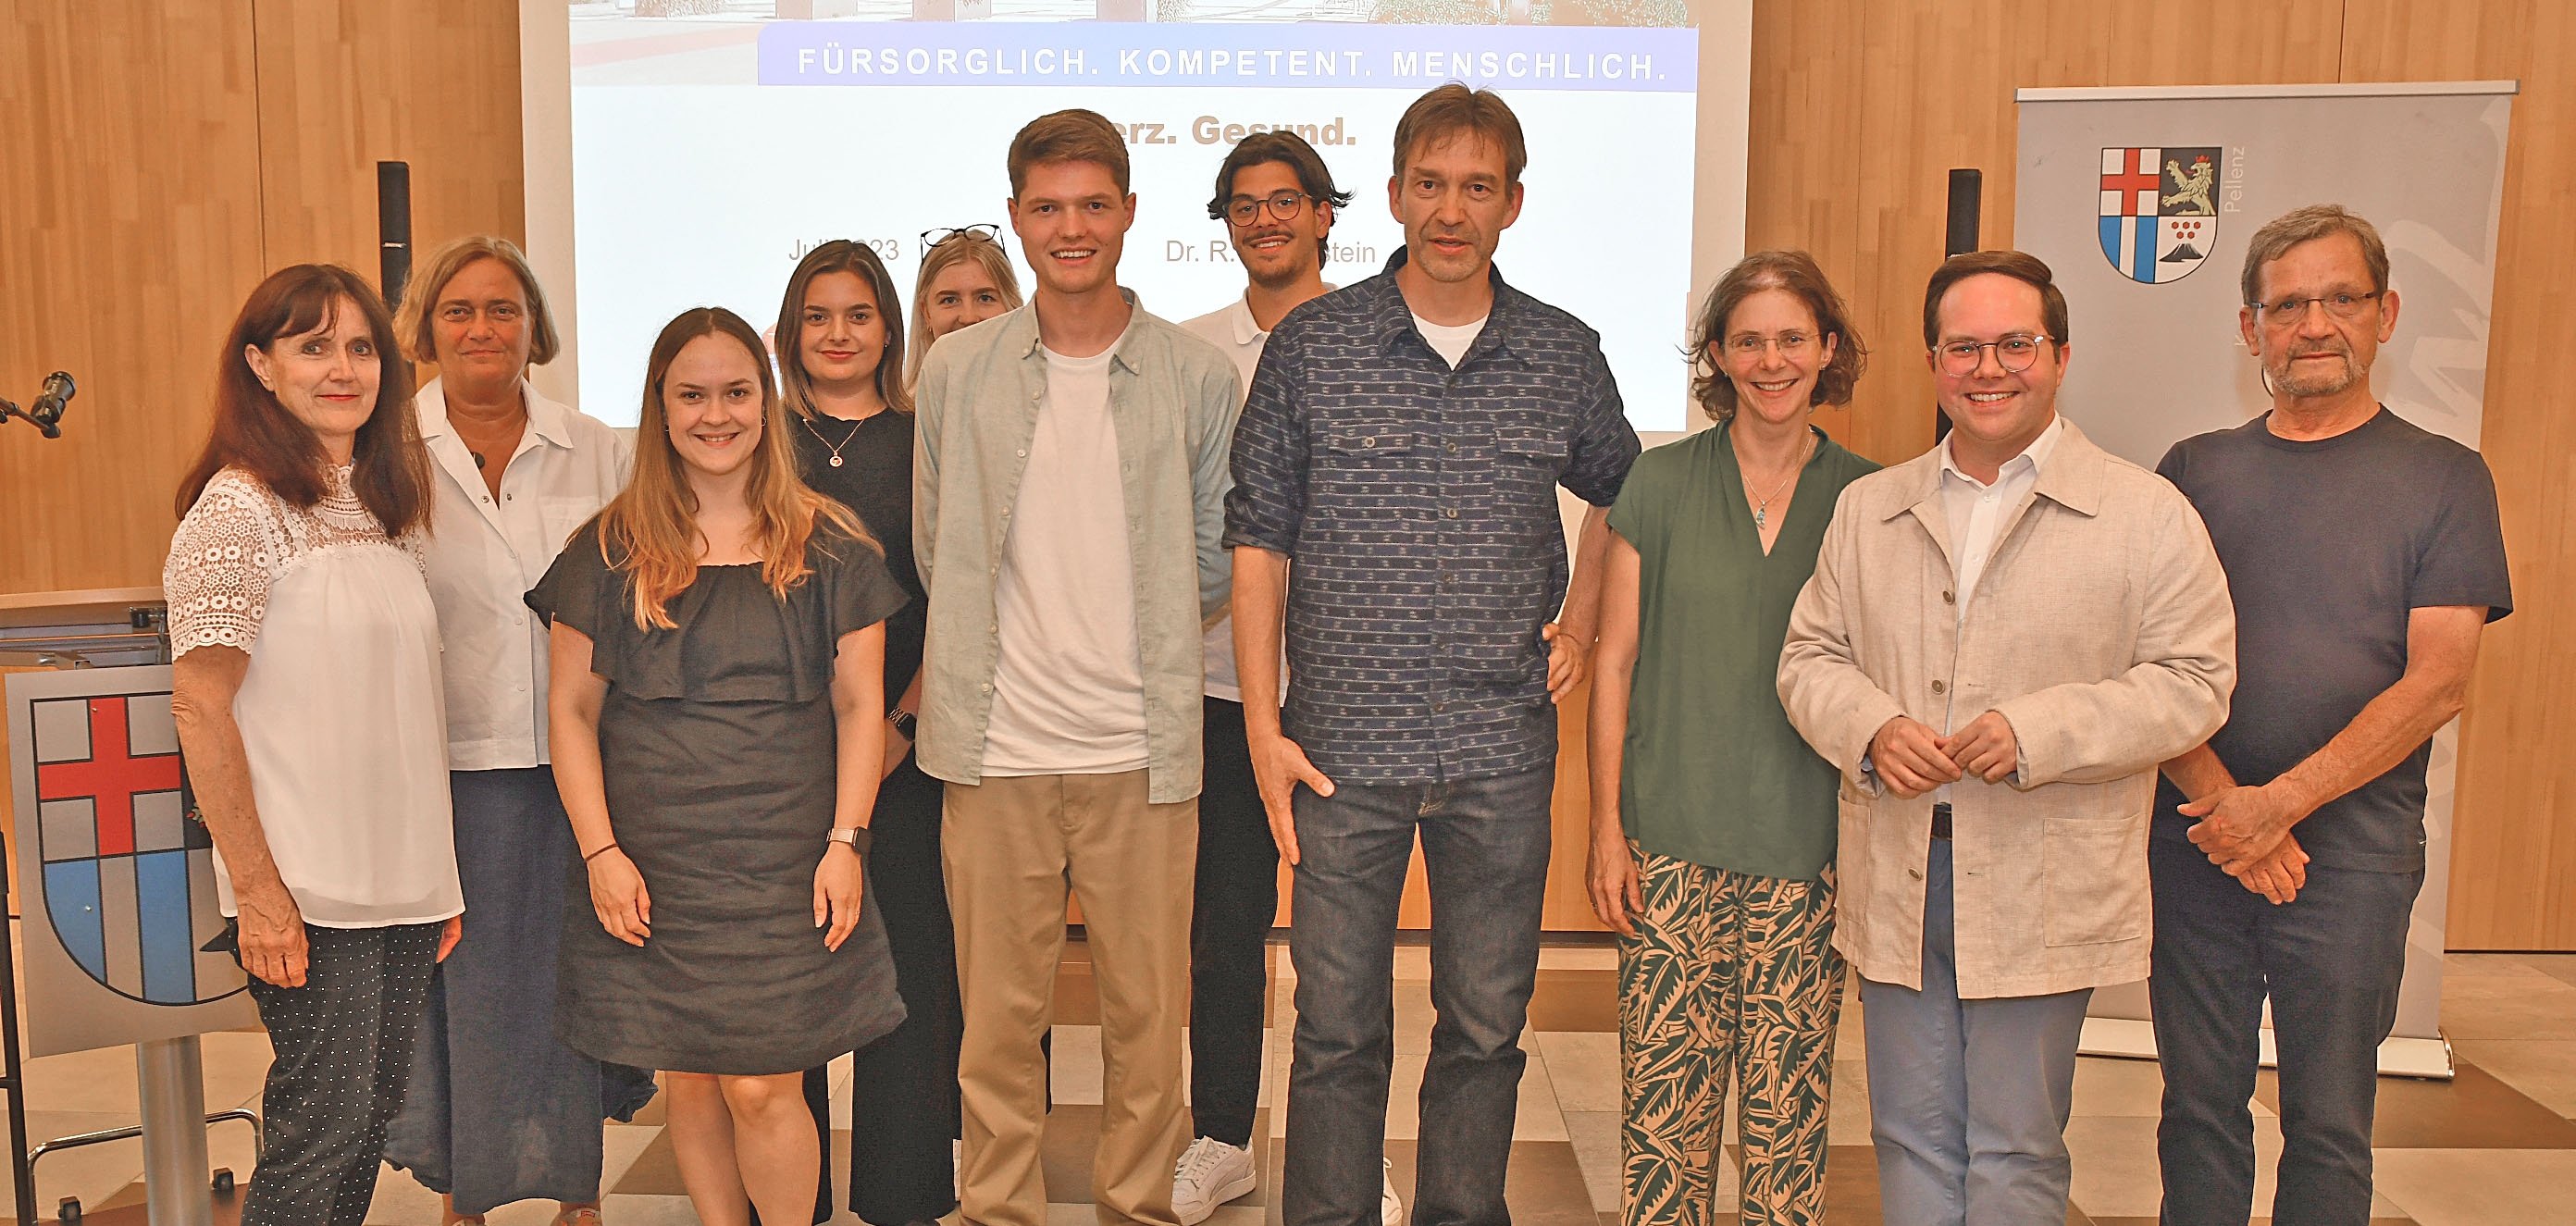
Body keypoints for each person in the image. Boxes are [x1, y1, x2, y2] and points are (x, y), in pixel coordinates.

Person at [1225, 84, 1641, 1226]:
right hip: (1340, 748)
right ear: (1398, 191)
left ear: (1512, 202)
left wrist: (1583, 612)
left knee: (1486, 1025)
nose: (1451, 210)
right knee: (1336, 1028)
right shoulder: (1314, 345)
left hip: (1500, 745)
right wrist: (1263, 729)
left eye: (1477, 187)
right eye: (1430, 183)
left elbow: (1623, 492)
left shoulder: (1562, 351)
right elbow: (1256, 542)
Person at [1775, 250, 2235, 1226]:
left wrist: (2039, 729)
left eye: (2015, 344)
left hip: (2041, 872)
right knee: (1908, 1132)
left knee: (2016, 1145)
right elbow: (1808, 657)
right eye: (1964, 347)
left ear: (2061, 355)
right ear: (1934, 362)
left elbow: (2196, 683)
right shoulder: (1871, 509)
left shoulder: (2145, 514)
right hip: (1901, 869)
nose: (1990, 368)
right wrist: (1871, 725)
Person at [2150, 205, 2511, 1226]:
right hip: (2198, 842)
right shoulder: (2193, 470)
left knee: (2330, 1123)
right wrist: (2229, 808)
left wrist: (2282, 805)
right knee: (2199, 1107)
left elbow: (2439, 679)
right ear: (2248, 327)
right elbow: (2147, 660)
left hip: (2351, 857)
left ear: (2386, 313)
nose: (2315, 323)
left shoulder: (2445, 477)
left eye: (2341, 298)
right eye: (2288, 304)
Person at [912, 108, 1241, 1226]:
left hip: (1141, 750)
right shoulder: (957, 371)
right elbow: (935, 540)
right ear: (1016, 218)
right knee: (997, 1020)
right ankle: (996, 1205)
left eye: (1093, 204)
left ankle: (1139, 1205)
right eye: (1047, 207)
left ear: (1130, 214)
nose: (1071, 227)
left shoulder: (1196, 375)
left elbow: (1213, 550)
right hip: (994, 747)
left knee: (1151, 1018)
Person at [530, 306, 910, 1226]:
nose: (715, 414)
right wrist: (601, 854)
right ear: (660, 407)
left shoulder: (834, 547)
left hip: (788, 861)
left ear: (765, 401)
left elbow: (862, 706)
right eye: (690, 394)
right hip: (653, 865)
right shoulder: (607, 549)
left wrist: (847, 840)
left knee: (763, 1086)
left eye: (736, 391)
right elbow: (571, 713)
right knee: (691, 1073)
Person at [165, 263, 463, 1226]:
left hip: (403, 880)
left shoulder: (384, 510)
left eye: (362, 346)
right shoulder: (236, 510)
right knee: (322, 1123)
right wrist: (256, 890)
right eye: (313, 345)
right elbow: (202, 708)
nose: (344, 368)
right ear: (260, 365)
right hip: (307, 884)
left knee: (366, 1116)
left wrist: (438, 878)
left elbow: (404, 707)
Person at [1586, 250, 1878, 1226]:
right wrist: (1604, 828)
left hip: (1810, 852)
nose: (1771, 359)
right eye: (1748, 340)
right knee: (1665, 1127)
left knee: (1786, 1127)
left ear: (1827, 348)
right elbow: (1615, 661)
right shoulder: (1659, 482)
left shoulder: (1872, 499)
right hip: (1670, 846)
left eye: (1792, 337)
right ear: (1716, 354)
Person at [378, 234, 653, 1226]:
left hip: (585, 770)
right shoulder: (384, 453)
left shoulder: (604, 447)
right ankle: (468, 1195)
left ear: (535, 326)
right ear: (427, 329)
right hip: (447, 773)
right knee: (470, 996)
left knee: (576, 986)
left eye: (504, 309)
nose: (483, 328)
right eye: (460, 309)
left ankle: (580, 1192)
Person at [1170, 130, 1378, 1226]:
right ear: (1227, 220)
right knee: (1225, 920)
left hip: (1350, 688)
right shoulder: (1193, 356)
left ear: (1326, 213)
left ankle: (1346, 1154)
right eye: (1245, 205)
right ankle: (1220, 1136)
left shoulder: (1375, 340)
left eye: (1287, 201)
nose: (1266, 220)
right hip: (1217, 688)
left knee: (1347, 934)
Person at [771, 240, 956, 1226]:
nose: (838, 334)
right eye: (818, 315)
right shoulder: (754, 440)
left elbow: (958, 595)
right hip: (777, 758)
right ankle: (788, 1202)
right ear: (790, 330)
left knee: (906, 973)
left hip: (905, 752)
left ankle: (906, 1194)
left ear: (891, 327)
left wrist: (896, 725)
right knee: (782, 981)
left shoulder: (928, 437)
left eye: (858, 314)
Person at [905, 225, 1022, 390]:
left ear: (1012, 306)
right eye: (950, 300)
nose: (969, 318)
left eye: (985, 298)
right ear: (926, 312)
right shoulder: (903, 415)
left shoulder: (1049, 402)